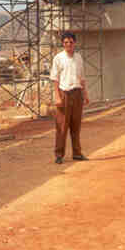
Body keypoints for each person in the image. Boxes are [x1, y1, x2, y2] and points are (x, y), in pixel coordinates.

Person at [48, 31, 89, 164]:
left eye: (71, 42)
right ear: (62, 43)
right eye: (66, 42)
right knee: (62, 126)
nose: (69, 44)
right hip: (64, 93)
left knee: (76, 125)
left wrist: (85, 94)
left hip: (77, 93)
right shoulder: (58, 58)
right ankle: (59, 154)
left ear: (74, 43)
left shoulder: (78, 57)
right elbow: (55, 79)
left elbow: (82, 78)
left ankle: (77, 153)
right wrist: (57, 97)